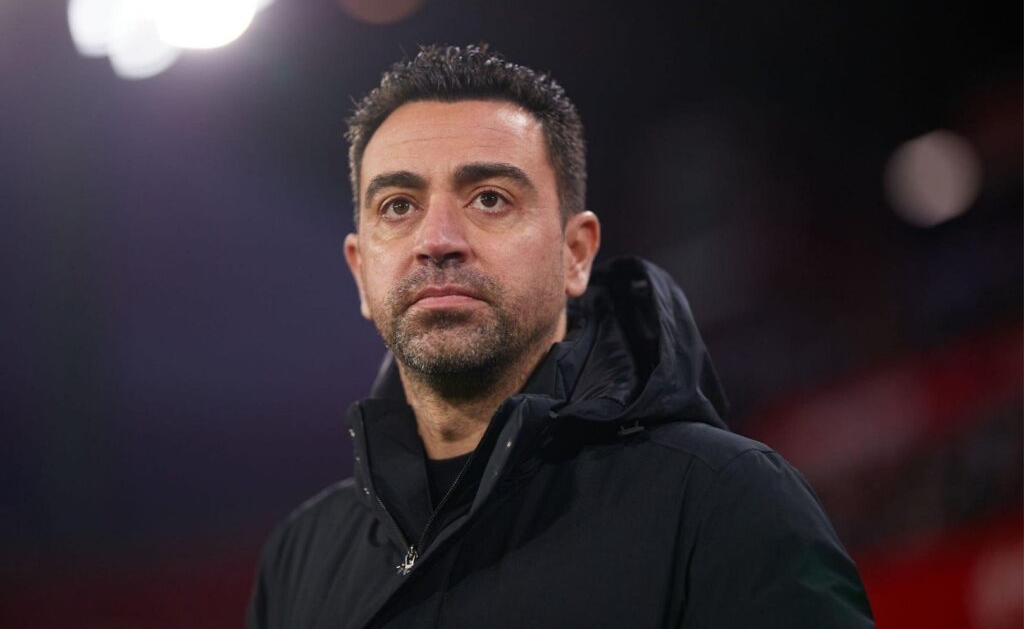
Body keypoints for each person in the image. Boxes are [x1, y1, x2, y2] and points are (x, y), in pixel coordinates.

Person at [246, 44, 875, 628]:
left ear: (576, 254)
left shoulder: (724, 496)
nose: (436, 239)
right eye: (398, 207)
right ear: (361, 271)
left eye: (489, 198)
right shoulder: (300, 554)